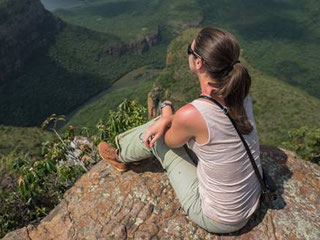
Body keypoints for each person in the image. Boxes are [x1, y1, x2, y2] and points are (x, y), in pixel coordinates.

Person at [98, 27, 262, 234]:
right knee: (165, 124)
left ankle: (120, 156)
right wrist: (171, 119)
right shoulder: (241, 94)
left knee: (157, 136)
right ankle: (123, 151)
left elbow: (167, 140)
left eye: (189, 50)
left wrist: (167, 114)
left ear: (198, 62)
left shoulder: (193, 114)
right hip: (251, 197)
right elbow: (205, 122)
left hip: (220, 218)